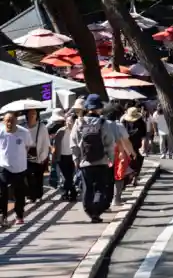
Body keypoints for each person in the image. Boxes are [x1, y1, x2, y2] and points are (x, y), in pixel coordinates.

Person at [70, 94, 116, 223]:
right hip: (101, 161)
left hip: (85, 162)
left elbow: (73, 143)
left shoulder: (79, 122)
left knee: (88, 187)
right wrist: (110, 158)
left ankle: (89, 211)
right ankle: (97, 209)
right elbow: (109, 143)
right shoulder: (103, 123)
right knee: (101, 187)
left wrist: (76, 159)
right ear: (99, 108)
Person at [0, 112, 32, 225]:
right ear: (4, 121)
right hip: (4, 166)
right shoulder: (1, 132)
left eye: (12, 120)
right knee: (2, 192)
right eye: (7, 120)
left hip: (20, 167)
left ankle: (19, 215)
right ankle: (3, 216)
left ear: (17, 121)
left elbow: (28, 146)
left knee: (19, 193)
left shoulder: (24, 133)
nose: (10, 123)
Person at [25, 108, 51, 202]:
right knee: (29, 177)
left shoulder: (42, 127)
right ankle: (31, 196)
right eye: (30, 113)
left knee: (38, 177)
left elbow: (46, 143)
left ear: (37, 115)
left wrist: (43, 157)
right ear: (26, 115)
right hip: (27, 156)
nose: (32, 115)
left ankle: (39, 195)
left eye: (34, 113)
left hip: (40, 156)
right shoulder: (24, 127)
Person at [52, 111, 77, 202]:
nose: (68, 123)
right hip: (62, 156)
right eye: (67, 121)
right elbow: (55, 144)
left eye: (70, 121)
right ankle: (71, 193)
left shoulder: (76, 131)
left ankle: (66, 193)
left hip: (72, 156)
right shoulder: (61, 131)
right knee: (66, 177)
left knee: (70, 176)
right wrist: (54, 156)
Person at [121, 107, 146, 180]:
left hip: (132, 145)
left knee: (137, 159)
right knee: (134, 160)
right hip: (128, 144)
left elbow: (143, 136)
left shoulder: (140, 123)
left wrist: (143, 146)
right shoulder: (124, 122)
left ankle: (134, 175)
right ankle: (133, 175)